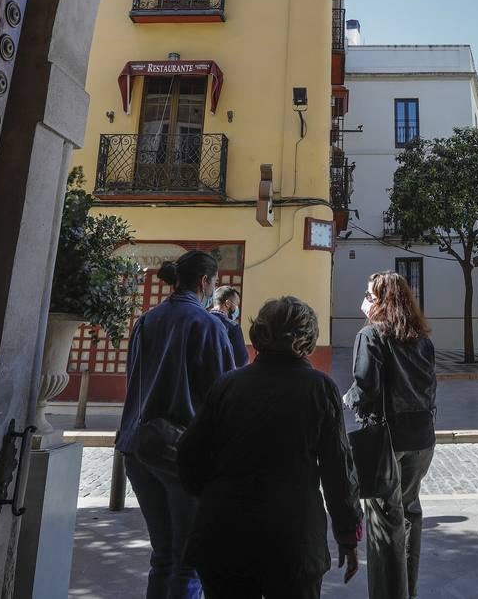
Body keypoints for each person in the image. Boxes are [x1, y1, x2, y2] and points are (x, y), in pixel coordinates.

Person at [179, 296, 363, 598]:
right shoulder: (320, 388)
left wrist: (215, 492)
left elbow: (189, 454)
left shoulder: (228, 384)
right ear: (307, 338)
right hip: (292, 539)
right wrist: (347, 536)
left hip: (223, 535)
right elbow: (338, 470)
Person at [115, 249, 237, 599]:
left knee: (164, 555)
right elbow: (222, 392)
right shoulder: (208, 325)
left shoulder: (146, 321)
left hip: (139, 448)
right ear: (205, 282)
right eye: (214, 282)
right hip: (184, 452)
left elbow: (133, 379)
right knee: (189, 560)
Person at [344, 271, 437, 599]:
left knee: (384, 520)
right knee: (411, 512)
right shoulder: (422, 338)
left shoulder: (371, 335)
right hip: (422, 437)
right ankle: (408, 590)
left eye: (370, 295)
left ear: (381, 301)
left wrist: (348, 398)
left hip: (386, 440)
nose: (366, 301)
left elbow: (365, 384)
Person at [208, 285, 250, 367]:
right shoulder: (233, 327)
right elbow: (242, 362)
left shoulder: (201, 320)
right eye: (236, 304)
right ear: (227, 303)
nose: (237, 308)